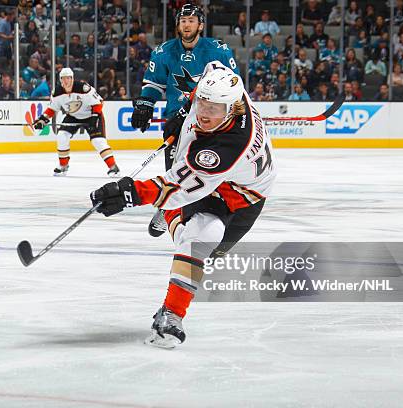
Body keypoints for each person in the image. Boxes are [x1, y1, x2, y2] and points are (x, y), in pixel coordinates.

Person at [90, 61, 276, 348]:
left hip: (244, 196)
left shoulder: (225, 149)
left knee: (209, 254)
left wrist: (129, 194)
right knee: (202, 237)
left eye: (213, 110)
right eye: (202, 103)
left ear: (232, 110)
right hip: (207, 182)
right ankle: (172, 315)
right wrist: (184, 108)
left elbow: (177, 188)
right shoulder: (226, 88)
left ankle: (169, 216)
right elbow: (211, 71)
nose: (203, 114)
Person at [131, 3, 240, 237]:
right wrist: (146, 104)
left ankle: (204, 215)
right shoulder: (163, 52)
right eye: (183, 21)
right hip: (176, 122)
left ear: (200, 25)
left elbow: (233, 85)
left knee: (209, 168)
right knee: (177, 172)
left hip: (210, 120)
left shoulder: (218, 51)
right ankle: (171, 207)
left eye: (191, 21)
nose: (186, 25)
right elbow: (153, 84)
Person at [32, 68, 121, 177]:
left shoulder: (83, 88)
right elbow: (52, 109)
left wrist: (94, 118)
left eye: (68, 78)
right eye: (63, 79)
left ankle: (113, 167)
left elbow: (99, 103)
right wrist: (42, 120)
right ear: (60, 80)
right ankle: (63, 166)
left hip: (92, 115)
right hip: (73, 116)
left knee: (98, 141)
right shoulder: (57, 93)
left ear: (72, 79)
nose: (66, 81)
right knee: (61, 136)